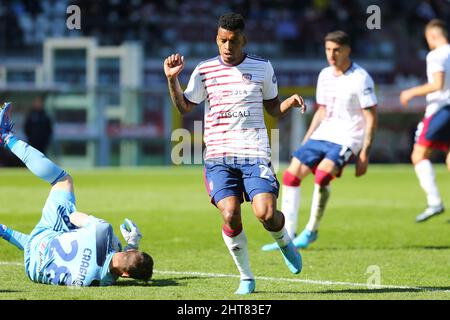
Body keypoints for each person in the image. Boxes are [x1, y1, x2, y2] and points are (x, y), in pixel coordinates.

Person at [163, 13, 306, 294]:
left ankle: (284, 240)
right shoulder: (204, 71)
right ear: (216, 40)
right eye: (222, 41)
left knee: (266, 214)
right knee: (230, 214)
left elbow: (273, 108)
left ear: (244, 40)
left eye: (233, 41)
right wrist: (172, 80)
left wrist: (288, 101)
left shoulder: (262, 67)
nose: (227, 47)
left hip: (254, 154)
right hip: (219, 157)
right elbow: (184, 107)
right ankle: (246, 277)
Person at [0, 102, 153, 286]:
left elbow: (73, 217)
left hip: (46, 237)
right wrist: (127, 249)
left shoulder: (103, 232)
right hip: (33, 269)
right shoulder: (102, 282)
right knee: (55, 246)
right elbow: (117, 268)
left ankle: (6, 137)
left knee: (63, 181)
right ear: (126, 276)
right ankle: (2, 231)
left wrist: (129, 245)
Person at [262, 31, 378, 251]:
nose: (331, 55)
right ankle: (289, 234)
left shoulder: (361, 78)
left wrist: (364, 153)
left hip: (348, 137)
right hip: (323, 134)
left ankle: (311, 231)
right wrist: (306, 140)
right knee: (290, 175)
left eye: (336, 50)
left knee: (323, 175)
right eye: (327, 50)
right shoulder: (324, 75)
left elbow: (371, 117)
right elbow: (321, 111)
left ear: (347, 50)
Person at [400, 19, 450, 222]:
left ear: (432, 36)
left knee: (418, 154)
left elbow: (437, 84)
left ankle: (435, 202)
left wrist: (411, 92)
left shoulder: (436, 54)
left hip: (442, 108)